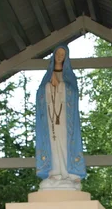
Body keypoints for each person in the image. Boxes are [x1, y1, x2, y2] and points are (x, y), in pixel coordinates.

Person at [35, 45, 85, 191]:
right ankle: (54, 173)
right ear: (54, 55)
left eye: (62, 54)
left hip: (65, 119)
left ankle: (68, 173)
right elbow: (40, 95)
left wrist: (60, 85)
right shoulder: (47, 77)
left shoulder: (69, 76)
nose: (59, 56)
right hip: (50, 118)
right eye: (58, 53)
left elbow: (73, 94)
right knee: (52, 143)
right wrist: (49, 87)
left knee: (64, 143)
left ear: (66, 57)